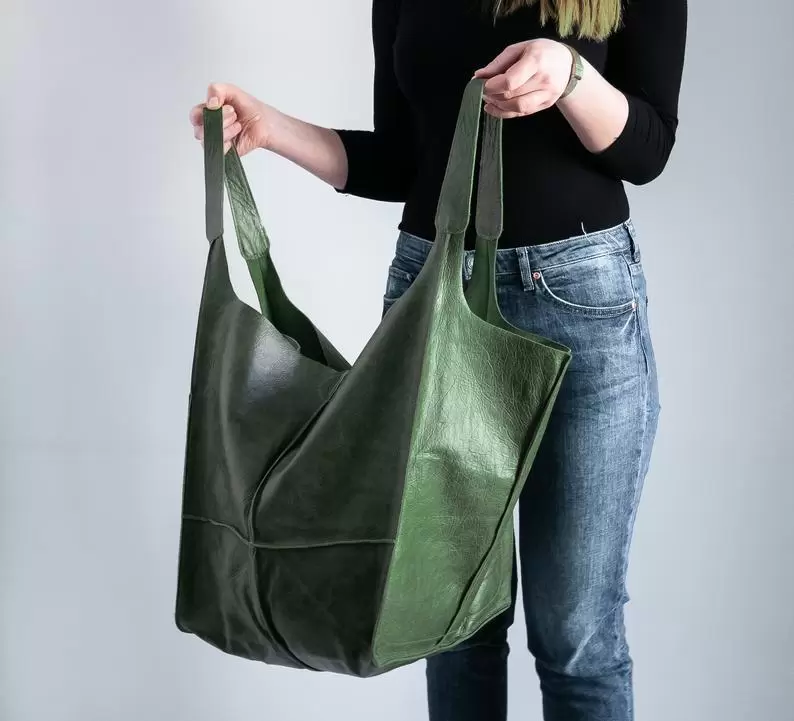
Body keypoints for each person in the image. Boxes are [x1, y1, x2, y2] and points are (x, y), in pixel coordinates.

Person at [189, 0, 687, 718]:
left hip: (578, 301)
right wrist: (271, 128)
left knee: (575, 633)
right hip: (430, 288)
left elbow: (648, 150)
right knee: (447, 620)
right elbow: (403, 158)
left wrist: (571, 77)